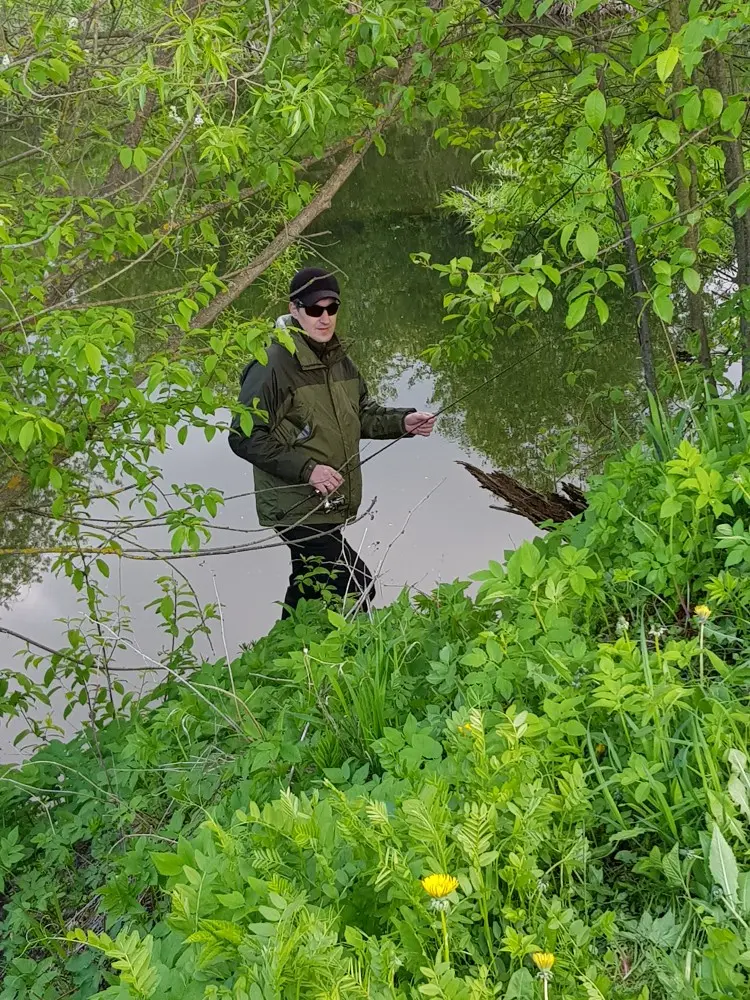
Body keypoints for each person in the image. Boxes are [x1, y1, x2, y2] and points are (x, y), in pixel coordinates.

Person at [229, 266, 435, 618]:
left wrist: (402, 421)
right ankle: (355, 654)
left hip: (326, 502)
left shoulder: (339, 361)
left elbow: (362, 415)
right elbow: (244, 437)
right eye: (314, 309)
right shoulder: (273, 364)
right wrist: (308, 470)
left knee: (310, 584)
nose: (324, 318)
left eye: (331, 308)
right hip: (296, 505)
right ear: (295, 310)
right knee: (356, 584)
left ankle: (291, 650)